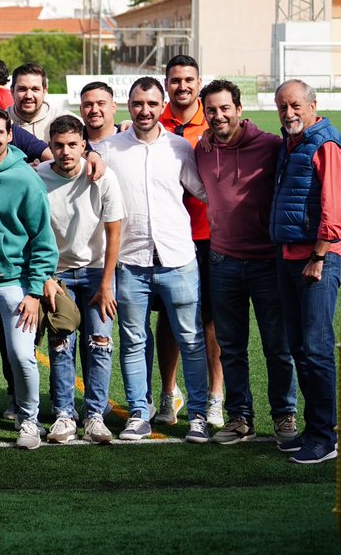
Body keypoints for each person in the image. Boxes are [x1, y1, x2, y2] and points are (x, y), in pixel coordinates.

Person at [97, 78, 210, 443]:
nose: (144, 110)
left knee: (191, 340)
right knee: (133, 341)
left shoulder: (180, 147)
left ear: (162, 106)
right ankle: (139, 414)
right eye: (137, 104)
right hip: (131, 263)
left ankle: (198, 415)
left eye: (151, 104)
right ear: (127, 106)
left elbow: (204, 191)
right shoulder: (109, 149)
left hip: (179, 261)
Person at [193, 80, 297, 445]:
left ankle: (284, 415)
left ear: (239, 109)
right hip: (222, 261)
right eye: (211, 110)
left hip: (267, 262)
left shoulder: (270, 146)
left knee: (277, 346)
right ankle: (240, 417)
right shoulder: (203, 148)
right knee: (231, 346)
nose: (218, 116)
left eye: (225, 108)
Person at [0, 107, 59, 450]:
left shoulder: (26, 180)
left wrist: (33, 293)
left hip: (15, 283)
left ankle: (29, 419)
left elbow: (43, 241)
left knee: (21, 356)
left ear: (9, 135)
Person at [270, 79, 341, 464]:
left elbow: (335, 210)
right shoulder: (292, 144)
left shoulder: (326, 144)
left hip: (318, 258)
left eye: (295, 106)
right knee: (301, 347)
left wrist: (318, 256)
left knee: (316, 348)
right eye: (283, 107)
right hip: (291, 257)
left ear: (313, 106)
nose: (289, 113)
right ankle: (315, 429)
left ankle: (325, 437)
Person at [36, 115, 124, 444]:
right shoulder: (39, 178)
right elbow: (34, 231)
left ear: (84, 145)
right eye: (58, 145)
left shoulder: (102, 177)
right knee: (60, 344)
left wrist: (106, 284)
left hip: (97, 270)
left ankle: (95, 415)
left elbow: (114, 233)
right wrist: (45, 276)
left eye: (73, 144)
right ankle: (63, 414)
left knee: (100, 343)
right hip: (57, 273)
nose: (66, 152)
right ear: (50, 146)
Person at [156, 55, 224, 429]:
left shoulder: (215, 122)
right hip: (166, 238)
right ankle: (169, 394)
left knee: (211, 318)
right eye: (175, 80)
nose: (182, 86)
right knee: (168, 318)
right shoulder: (152, 121)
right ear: (166, 83)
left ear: (199, 83)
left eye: (188, 80)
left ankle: (215, 397)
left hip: (209, 236)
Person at [6, 63, 69, 141]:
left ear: (44, 91)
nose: (28, 96)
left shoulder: (63, 119)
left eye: (35, 89)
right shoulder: (0, 122)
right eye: (22, 89)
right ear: (12, 91)